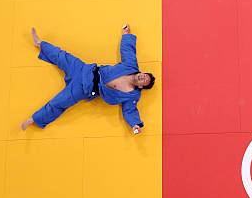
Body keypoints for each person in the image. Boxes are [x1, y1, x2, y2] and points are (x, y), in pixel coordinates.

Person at [21, 25, 155, 134]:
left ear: (142, 86)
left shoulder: (132, 96)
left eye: (145, 80)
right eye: (145, 75)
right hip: (85, 69)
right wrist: (126, 34)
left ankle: (34, 119)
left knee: (59, 102)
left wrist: (135, 125)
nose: (143, 77)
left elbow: (129, 111)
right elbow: (128, 51)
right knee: (61, 55)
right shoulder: (131, 66)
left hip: (85, 89)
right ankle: (39, 43)